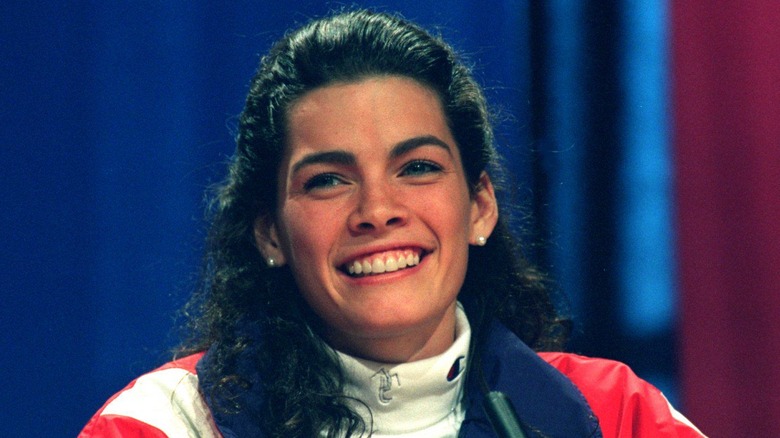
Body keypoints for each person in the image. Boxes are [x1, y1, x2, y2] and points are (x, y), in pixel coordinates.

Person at [80, 9, 706, 438]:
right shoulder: (164, 424)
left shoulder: (613, 416)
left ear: (479, 207)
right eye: (328, 179)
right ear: (270, 232)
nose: (378, 209)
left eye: (418, 167)